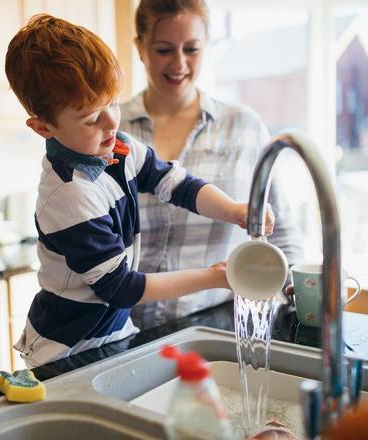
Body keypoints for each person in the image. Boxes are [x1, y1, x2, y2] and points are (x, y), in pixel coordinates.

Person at [4, 14, 275, 367]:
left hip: (114, 336)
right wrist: (214, 278)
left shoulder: (118, 148)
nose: (111, 122)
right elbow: (122, 288)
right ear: (43, 127)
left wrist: (235, 211)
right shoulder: (69, 196)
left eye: (112, 103)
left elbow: (179, 185)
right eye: (90, 117)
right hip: (67, 351)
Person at [120, 0, 303, 329]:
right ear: (139, 46)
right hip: (125, 329)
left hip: (220, 324)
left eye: (191, 49)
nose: (179, 64)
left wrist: (299, 301)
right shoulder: (112, 131)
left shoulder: (243, 127)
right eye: (163, 50)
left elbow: (283, 233)